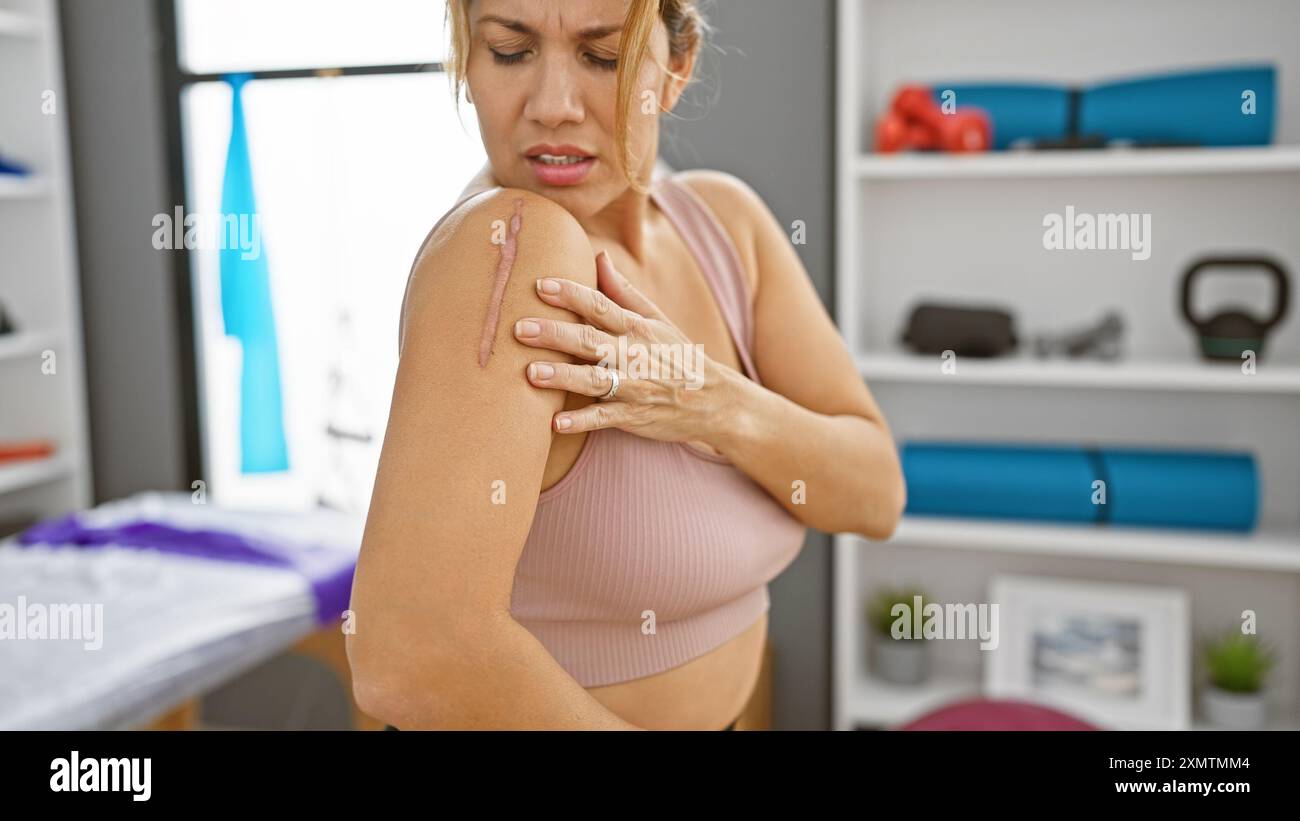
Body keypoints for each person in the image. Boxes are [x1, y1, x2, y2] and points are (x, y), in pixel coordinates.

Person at [346, 0, 905, 730]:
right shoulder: (512, 249)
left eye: (601, 57)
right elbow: (409, 657)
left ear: (677, 67)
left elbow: (874, 494)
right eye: (510, 51)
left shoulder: (722, 224)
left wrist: (711, 400)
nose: (551, 107)